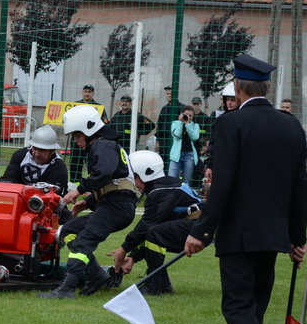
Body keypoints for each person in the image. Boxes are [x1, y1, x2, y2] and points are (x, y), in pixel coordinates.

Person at [184, 54, 307, 324]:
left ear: (237, 88)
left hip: (239, 232)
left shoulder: (231, 124)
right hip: (272, 235)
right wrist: (297, 238)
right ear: (265, 87)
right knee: (253, 308)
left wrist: (201, 232)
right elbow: (300, 187)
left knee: (237, 307)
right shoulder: (291, 125)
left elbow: (222, 185)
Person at [39, 105, 137, 299]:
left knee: (83, 242)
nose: (76, 142)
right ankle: (96, 274)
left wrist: (79, 191)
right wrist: (88, 202)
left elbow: (104, 174)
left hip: (116, 207)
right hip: (115, 204)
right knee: (68, 230)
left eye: (77, 136)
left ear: (89, 130)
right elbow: (112, 181)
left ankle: (66, 289)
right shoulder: (105, 144)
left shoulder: (103, 145)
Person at [106, 150, 202, 295]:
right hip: (198, 225)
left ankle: (154, 285)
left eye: (134, 177)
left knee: (155, 233)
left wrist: (124, 248)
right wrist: (133, 256)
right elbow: (150, 226)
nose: (133, 182)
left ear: (146, 174)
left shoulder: (161, 191)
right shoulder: (161, 188)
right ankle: (162, 284)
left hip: (201, 227)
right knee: (155, 232)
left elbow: (147, 225)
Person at [0, 125, 68, 192]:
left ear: (52, 151)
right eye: (34, 148)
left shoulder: (59, 167)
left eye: (42, 150)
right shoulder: (20, 155)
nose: (37, 154)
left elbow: (53, 196)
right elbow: (8, 180)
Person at [67, 84, 108, 183]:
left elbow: (104, 122)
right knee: (75, 161)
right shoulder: (75, 105)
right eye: (85, 91)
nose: (87, 94)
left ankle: (91, 182)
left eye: (89, 92)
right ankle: (74, 182)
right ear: (82, 93)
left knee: (92, 160)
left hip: (91, 140)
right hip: (77, 139)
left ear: (93, 94)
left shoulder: (99, 107)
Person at [168, 105, 199, 185]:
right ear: (182, 114)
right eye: (186, 115)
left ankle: (184, 196)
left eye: (191, 116)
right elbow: (177, 135)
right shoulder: (175, 123)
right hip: (176, 155)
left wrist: (188, 124)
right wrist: (181, 122)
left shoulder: (195, 126)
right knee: (171, 179)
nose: (188, 117)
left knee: (186, 181)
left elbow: (194, 137)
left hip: (189, 155)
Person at [156, 86, 183, 167]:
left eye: (171, 94)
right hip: (164, 141)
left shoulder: (182, 108)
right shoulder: (164, 109)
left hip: (176, 141)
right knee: (163, 163)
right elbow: (159, 125)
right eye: (167, 94)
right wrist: (157, 141)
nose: (169, 95)